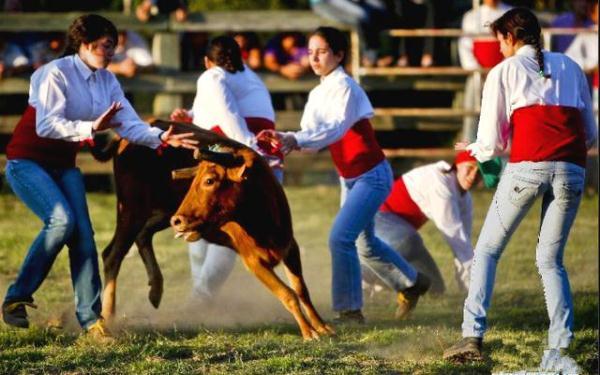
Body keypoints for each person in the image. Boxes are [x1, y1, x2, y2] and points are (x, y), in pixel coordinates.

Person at [1, 14, 197, 339]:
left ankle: (92, 322)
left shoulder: (107, 81)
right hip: (26, 162)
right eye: (107, 47)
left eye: (114, 47)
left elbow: (129, 124)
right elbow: (46, 125)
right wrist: (91, 127)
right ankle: (16, 296)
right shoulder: (55, 73)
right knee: (63, 221)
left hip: (64, 167)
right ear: (86, 44)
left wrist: (161, 138)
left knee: (83, 237)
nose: (112, 54)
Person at [442, 8, 597, 373]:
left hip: (528, 167)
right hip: (573, 169)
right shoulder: (571, 67)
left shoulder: (503, 71)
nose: (497, 48)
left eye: (498, 40)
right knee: (549, 261)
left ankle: (471, 336)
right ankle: (559, 345)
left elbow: (492, 143)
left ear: (510, 37)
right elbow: (590, 133)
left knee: (486, 251)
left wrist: (473, 149)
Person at [258, 26, 430, 323]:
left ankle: (349, 311)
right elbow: (312, 138)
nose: (314, 58)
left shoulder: (347, 88)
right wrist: (283, 138)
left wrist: (295, 140)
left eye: (322, 51)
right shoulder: (317, 93)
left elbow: (335, 128)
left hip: (372, 175)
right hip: (349, 177)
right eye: (310, 52)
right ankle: (412, 283)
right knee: (364, 244)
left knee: (340, 238)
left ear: (339, 54)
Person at [170, 35, 282, 303]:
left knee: (227, 229)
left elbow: (230, 119)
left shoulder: (211, 77)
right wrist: (189, 117)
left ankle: (200, 299)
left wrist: (250, 154)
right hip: (264, 160)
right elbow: (213, 110)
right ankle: (202, 298)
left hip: (239, 162)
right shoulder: (252, 77)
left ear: (207, 62)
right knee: (208, 224)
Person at [361, 152, 502, 298]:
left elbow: (463, 245)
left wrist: (467, 291)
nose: (473, 175)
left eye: (479, 172)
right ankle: (361, 278)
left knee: (434, 289)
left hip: (397, 235)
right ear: (458, 164)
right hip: (374, 221)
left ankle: (376, 281)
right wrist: (476, 292)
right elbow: (456, 239)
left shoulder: (465, 200)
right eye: (470, 168)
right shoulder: (440, 183)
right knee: (406, 243)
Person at [459, 0, 511, 140]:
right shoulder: (471, 16)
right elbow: (465, 46)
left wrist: (500, 71)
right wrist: (477, 70)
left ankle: (505, 155)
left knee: (505, 116)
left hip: (504, 76)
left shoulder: (511, 14)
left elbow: (513, 45)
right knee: (472, 115)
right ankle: (468, 153)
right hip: (477, 75)